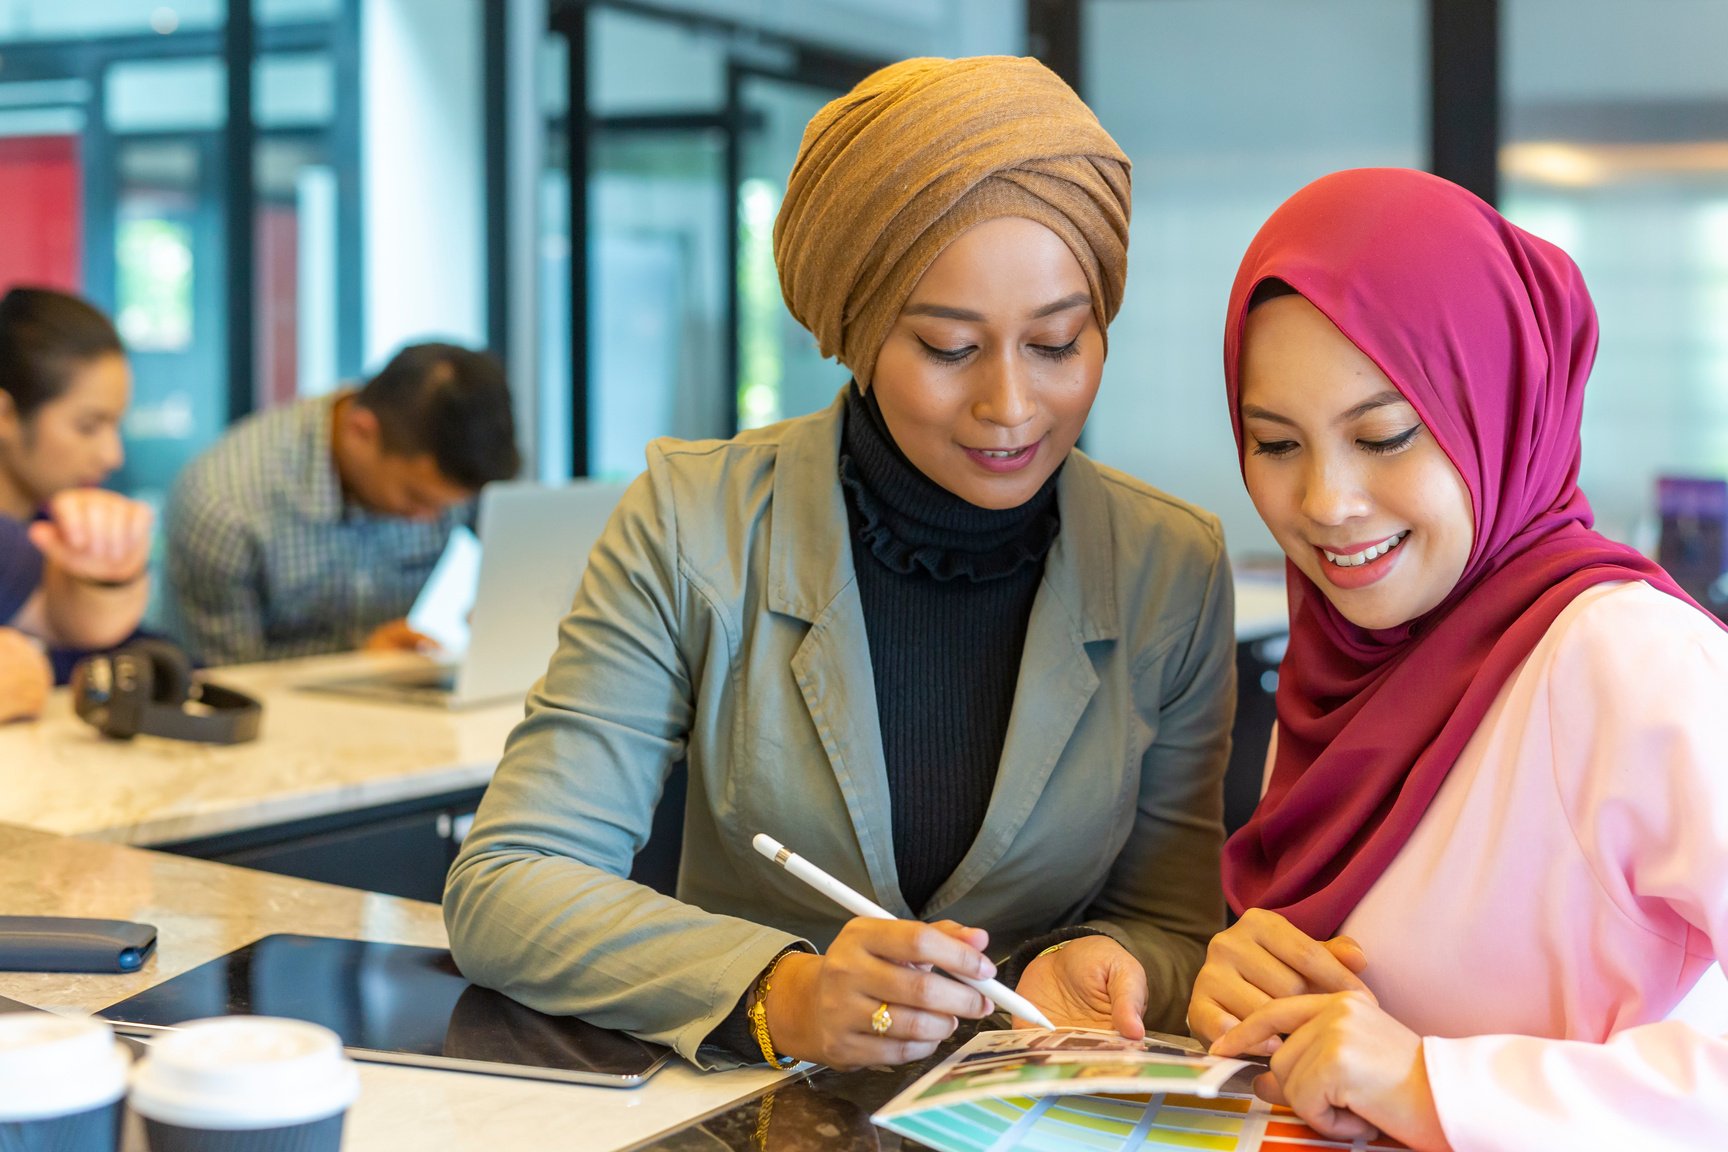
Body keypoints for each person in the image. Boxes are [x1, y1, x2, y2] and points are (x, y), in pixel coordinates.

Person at [445, 55, 1236, 1071]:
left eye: (1058, 342)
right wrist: (785, 992)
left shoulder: (1170, 565)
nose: (1011, 405)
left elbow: (1174, 923)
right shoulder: (698, 523)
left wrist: (1107, 959)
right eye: (950, 349)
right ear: (857, 335)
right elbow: (511, 880)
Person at [1188, 168, 1728, 1152]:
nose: (1325, 502)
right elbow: (1348, 1020)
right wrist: (1247, 991)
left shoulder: (1630, 662)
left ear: (1500, 405)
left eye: (1385, 435)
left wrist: (1435, 1082)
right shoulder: (1342, 667)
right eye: (1275, 444)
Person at [165, 342, 521, 666]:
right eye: (415, 499)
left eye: (449, 507)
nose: (429, 520)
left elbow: (526, 561)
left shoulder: (452, 468)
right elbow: (227, 683)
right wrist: (355, 662)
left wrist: (507, 606)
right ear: (361, 432)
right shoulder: (226, 503)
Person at [0, 287, 155, 718]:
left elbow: (84, 624)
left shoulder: (53, 529)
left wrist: (112, 575)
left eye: (115, 425)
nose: (112, 455)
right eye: (89, 426)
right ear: (5, 416)